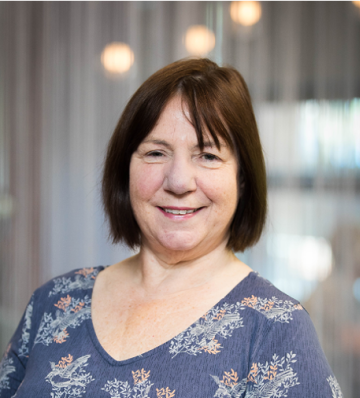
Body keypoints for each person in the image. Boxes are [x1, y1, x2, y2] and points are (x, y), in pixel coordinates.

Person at [0, 58, 342, 398]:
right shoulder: (54, 303)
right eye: (156, 153)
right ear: (126, 170)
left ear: (241, 179)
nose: (179, 182)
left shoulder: (277, 331)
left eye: (208, 156)